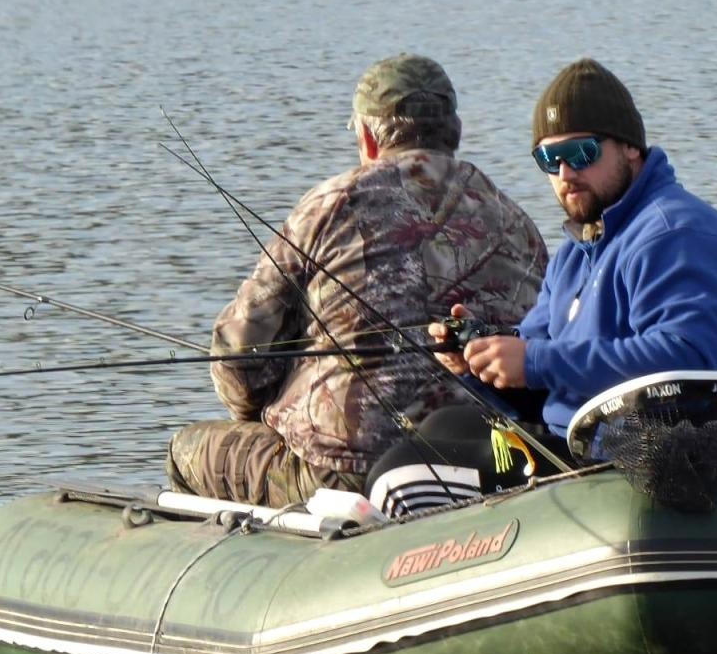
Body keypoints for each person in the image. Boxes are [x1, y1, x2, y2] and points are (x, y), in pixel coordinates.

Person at [366, 57, 717, 515]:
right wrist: (481, 359)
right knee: (442, 424)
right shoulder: (580, 246)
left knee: (400, 479)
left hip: (649, 460)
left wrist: (534, 361)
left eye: (581, 154)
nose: (564, 173)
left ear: (630, 149)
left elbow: (686, 362)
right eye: (547, 158)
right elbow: (542, 358)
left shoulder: (677, 234)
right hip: (576, 440)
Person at [166, 54, 548, 507]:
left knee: (187, 451)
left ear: (366, 135)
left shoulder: (330, 205)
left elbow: (237, 361)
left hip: (338, 475)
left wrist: (260, 415)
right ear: (457, 130)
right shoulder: (516, 221)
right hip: (480, 466)